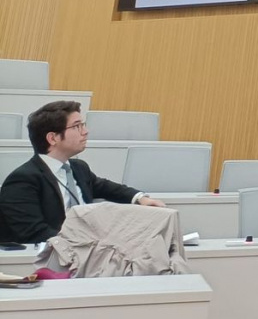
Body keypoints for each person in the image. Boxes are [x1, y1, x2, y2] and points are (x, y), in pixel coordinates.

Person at [0, 101, 166, 243]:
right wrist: (86, 243)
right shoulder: (23, 180)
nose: (85, 132)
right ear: (53, 138)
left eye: (83, 125)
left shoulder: (78, 168)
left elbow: (105, 187)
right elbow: (33, 232)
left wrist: (140, 198)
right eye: (77, 126)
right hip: (54, 255)